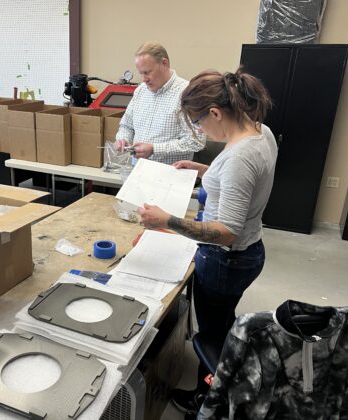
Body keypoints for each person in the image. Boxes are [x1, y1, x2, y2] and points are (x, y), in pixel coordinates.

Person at [138, 68, 277, 417]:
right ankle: (227, 379)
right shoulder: (260, 132)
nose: (200, 130)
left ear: (215, 112)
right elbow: (240, 181)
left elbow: (227, 230)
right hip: (248, 252)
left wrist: (167, 221)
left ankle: (209, 398)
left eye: (199, 122)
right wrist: (203, 170)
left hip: (225, 258)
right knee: (225, 322)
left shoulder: (239, 158)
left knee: (212, 336)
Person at [115, 42, 205, 164]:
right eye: (141, 73)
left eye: (147, 72)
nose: (144, 79)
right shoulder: (140, 91)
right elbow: (126, 126)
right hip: (138, 170)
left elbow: (196, 141)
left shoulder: (188, 93)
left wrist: (154, 149)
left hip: (170, 172)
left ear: (164, 63)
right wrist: (123, 139)